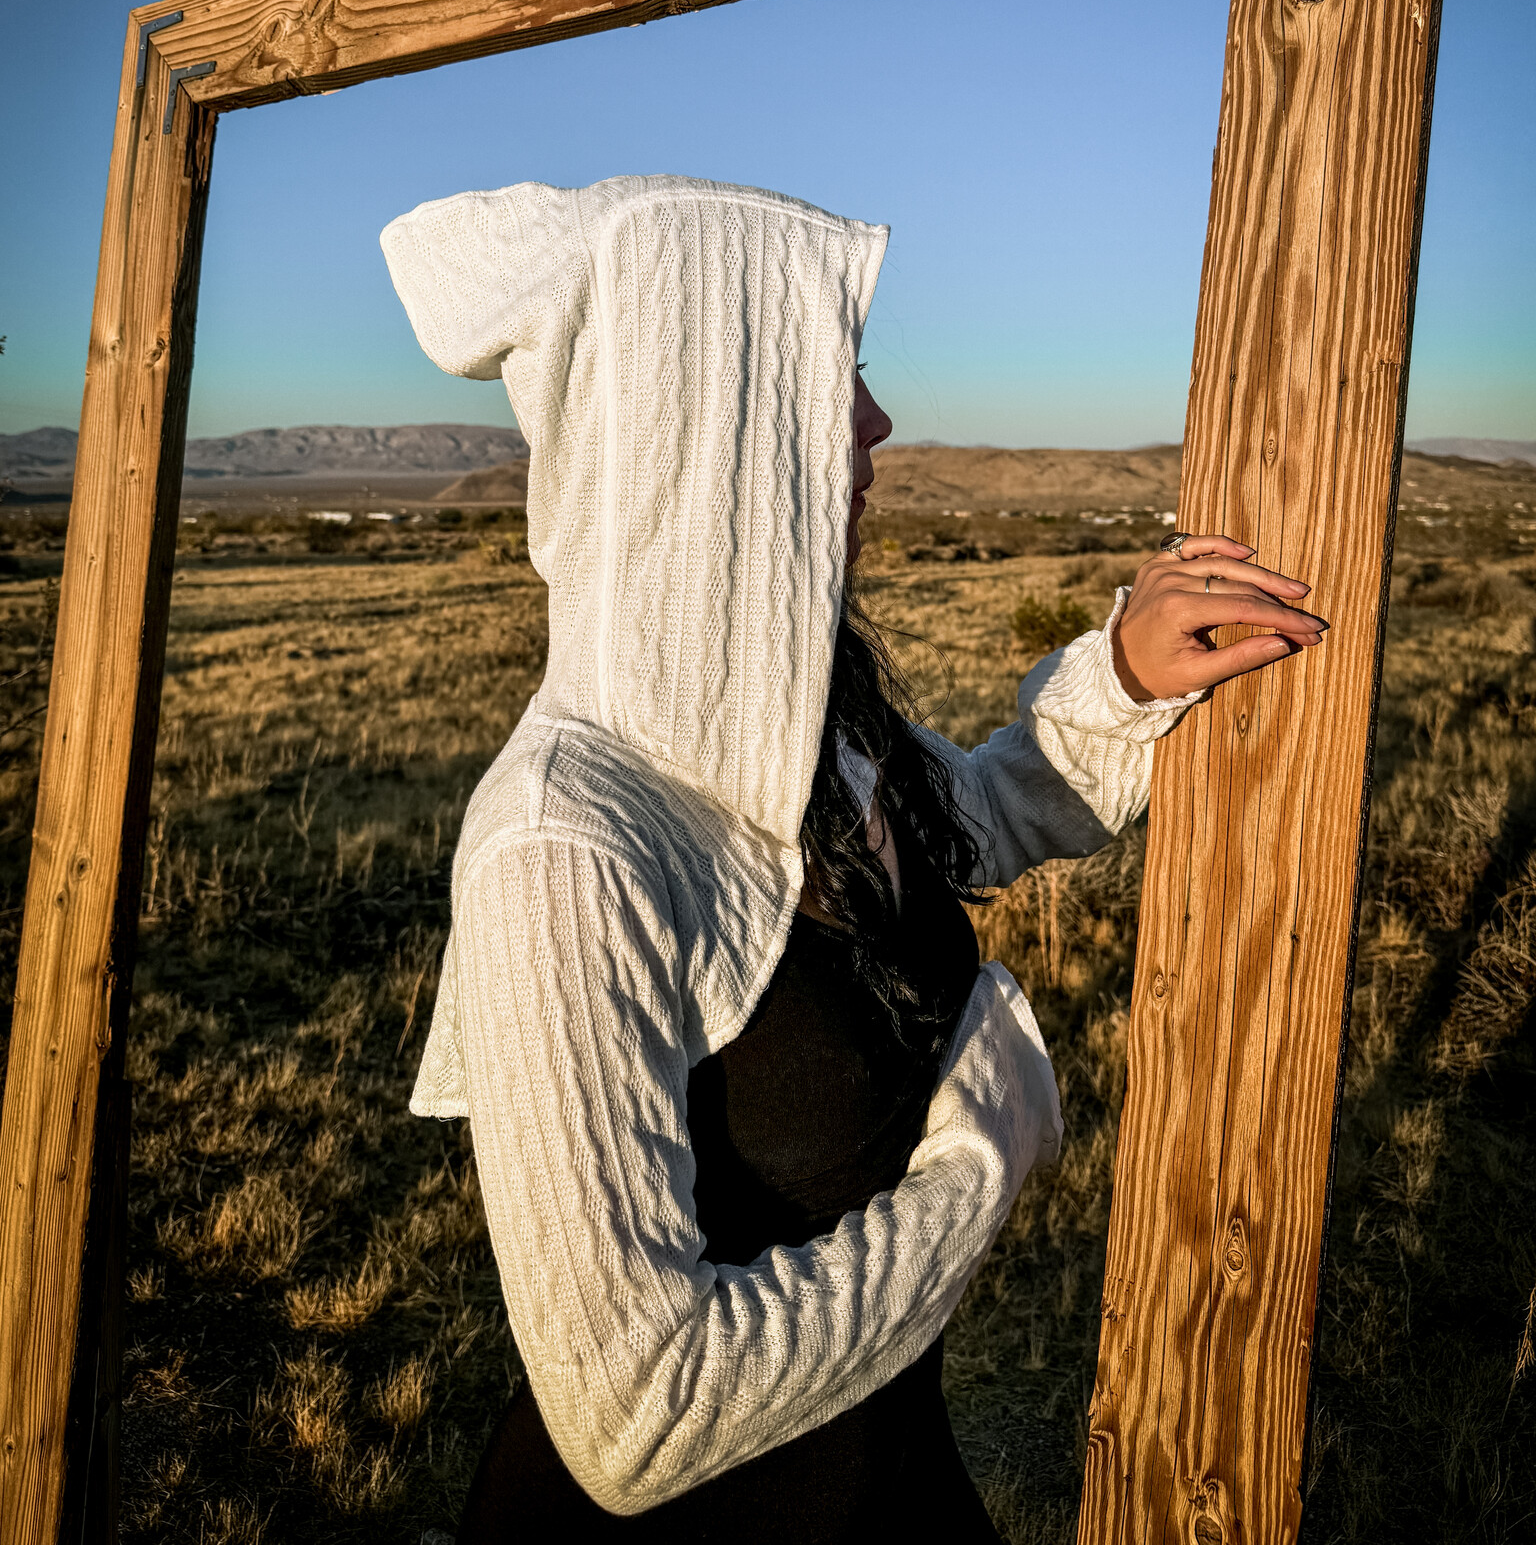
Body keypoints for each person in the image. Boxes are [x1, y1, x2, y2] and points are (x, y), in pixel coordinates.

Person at [381, 174, 1324, 1542]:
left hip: (886, 1485)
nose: (880, 416)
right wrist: (973, 1175)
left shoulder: (799, 719)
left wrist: (1117, 675)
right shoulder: (565, 846)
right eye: (834, 372)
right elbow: (635, 1411)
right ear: (701, 421)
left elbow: (973, 825)